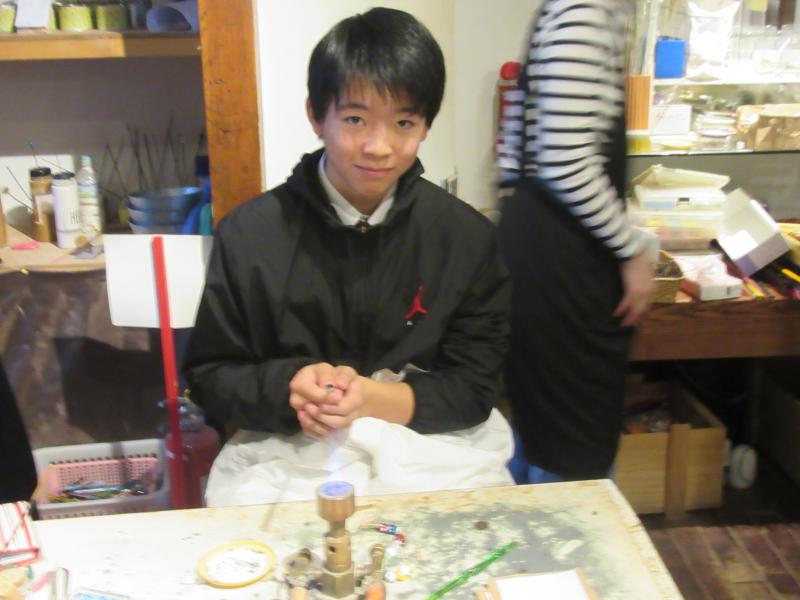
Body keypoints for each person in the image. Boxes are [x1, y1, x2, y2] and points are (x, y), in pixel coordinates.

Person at [183, 7, 513, 506]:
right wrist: (288, 387)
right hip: (287, 456)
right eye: (355, 119)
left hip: (432, 455)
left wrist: (373, 400)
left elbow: (476, 386)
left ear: (426, 125)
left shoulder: (465, 238)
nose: (379, 147)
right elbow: (211, 377)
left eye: (403, 122)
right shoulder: (249, 235)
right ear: (316, 116)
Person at [497, 0, 653, 483]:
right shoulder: (586, 10)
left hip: (541, 245)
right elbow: (564, 161)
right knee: (571, 447)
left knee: (542, 431)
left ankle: (532, 526)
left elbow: (512, 151)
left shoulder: (567, 9)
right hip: (564, 258)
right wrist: (631, 250)